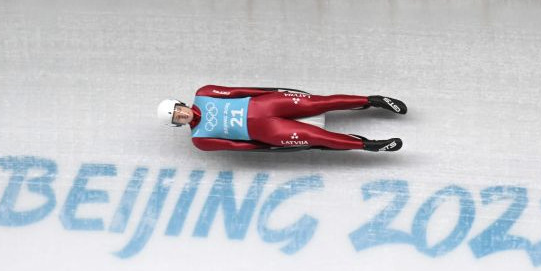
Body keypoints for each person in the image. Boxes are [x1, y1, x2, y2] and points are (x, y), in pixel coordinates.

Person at [157, 85, 407, 152]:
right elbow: (238, 147)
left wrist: (273, 92)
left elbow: (239, 91)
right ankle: (369, 145)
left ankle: (373, 100)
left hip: (267, 103)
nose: (182, 115)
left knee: (319, 102)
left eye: (179, 110)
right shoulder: (200, 139)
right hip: (268, 132)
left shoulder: (204, 93)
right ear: (177, 124)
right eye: (178, 118)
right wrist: (268, 145)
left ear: (181, 104)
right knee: (315, 137)